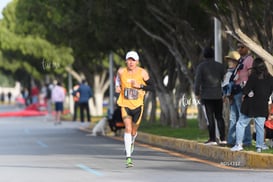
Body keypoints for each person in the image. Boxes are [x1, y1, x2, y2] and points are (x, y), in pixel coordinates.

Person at [115, 50, 154, 168]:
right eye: (129, 60)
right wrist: (117, 86)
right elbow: (117, 80)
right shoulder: (121, 72)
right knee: (127, 128)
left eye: (133, 60)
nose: (131, 62)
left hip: (138, 105)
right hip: (125, 104)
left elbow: (153, 87)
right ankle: (128, 157)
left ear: (137, 61)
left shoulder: (143, 73)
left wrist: (140, 86)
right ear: (126, 61)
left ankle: (132, 141)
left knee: (133, 130)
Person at [230, 57, 273, 152]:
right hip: (262, 106)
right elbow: (269, 92)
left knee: (241, 124)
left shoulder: (253, 77)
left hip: (250, 105)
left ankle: (239, 144)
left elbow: (246, 90)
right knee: (260, 127)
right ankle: (259, 146)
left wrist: (248, 93)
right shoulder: (270, 78)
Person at [194, 47, 226, 145]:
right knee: (219, 117)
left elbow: (197, 81)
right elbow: (225, 81)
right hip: (218, 95)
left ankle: (212, 139)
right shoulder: (220, 66)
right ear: (213, 54)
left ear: (204, 55)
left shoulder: (201, 66)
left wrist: (197, 93)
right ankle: (223, 139)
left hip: (206, 96)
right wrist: (224, 93)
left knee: (210, 117)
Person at [227, 42, 253, 147]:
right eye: (237, 47)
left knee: (243, 118)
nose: (239, 49)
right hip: (235, 92)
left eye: (241, 47)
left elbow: (251, 76)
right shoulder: (240, 60)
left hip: (243, 92)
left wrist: (247, 92)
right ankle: (232, 140)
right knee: (233, 117)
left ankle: (246, 142)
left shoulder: (249, 59)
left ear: (247, 47)